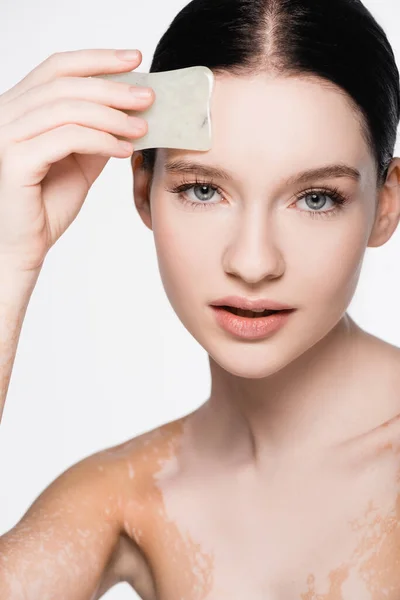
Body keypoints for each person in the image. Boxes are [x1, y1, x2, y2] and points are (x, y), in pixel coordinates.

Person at [1, 0, 400, 597]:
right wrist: (6, 255)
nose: (254, 262)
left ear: (385, 205)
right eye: (204, 189)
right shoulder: (121, 499)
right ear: (144, 190)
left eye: (316, 198)